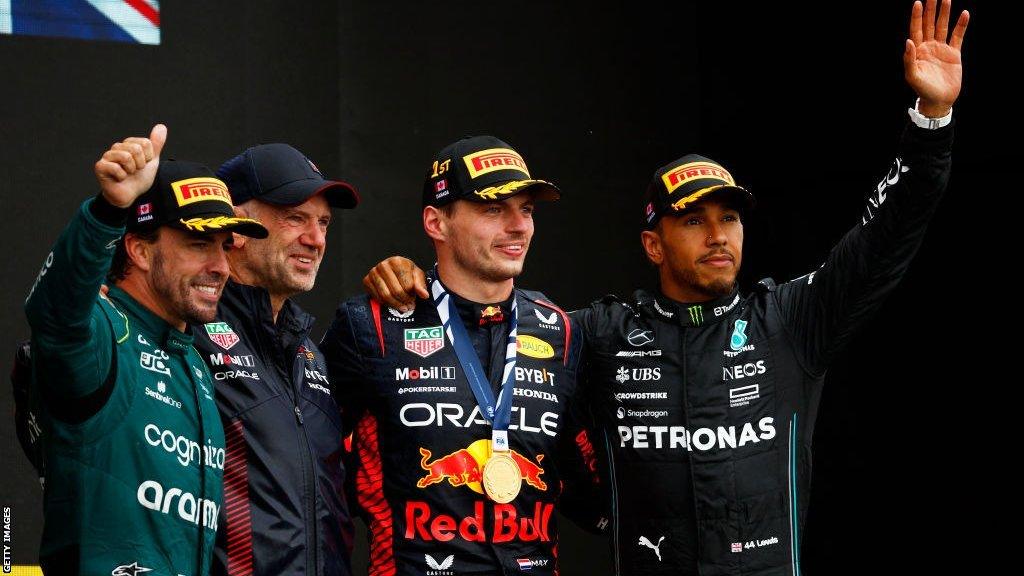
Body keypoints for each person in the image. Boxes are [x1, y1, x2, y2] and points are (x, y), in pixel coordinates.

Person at [362, 1, 969, 573]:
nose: (717, 236)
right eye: (693, 220)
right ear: (654, 244)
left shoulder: (789, 321)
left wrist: (930, 123)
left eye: (729, 218)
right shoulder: (598, 333)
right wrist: (410, 278)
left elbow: (886, 238)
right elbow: (496, 358)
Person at [320, 136, 600, 575]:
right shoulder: (370, 325)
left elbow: (594, 487)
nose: (518, 226)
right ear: (436, 222)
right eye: (493, 209)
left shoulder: (561, 330)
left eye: (525, 209)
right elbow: (310, 469)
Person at [24, 125, 269, 575]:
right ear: (137, 249)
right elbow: (56, 313)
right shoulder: (104, 333)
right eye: (198, 244)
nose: (220, 268)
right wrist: (107, 211)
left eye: (223, 247)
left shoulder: (192, 358)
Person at [191, 143, 360, 576]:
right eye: (295, 218)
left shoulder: (310, 352)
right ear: (236, 228)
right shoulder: (183, 331)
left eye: (323, 222)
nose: (317, 239)